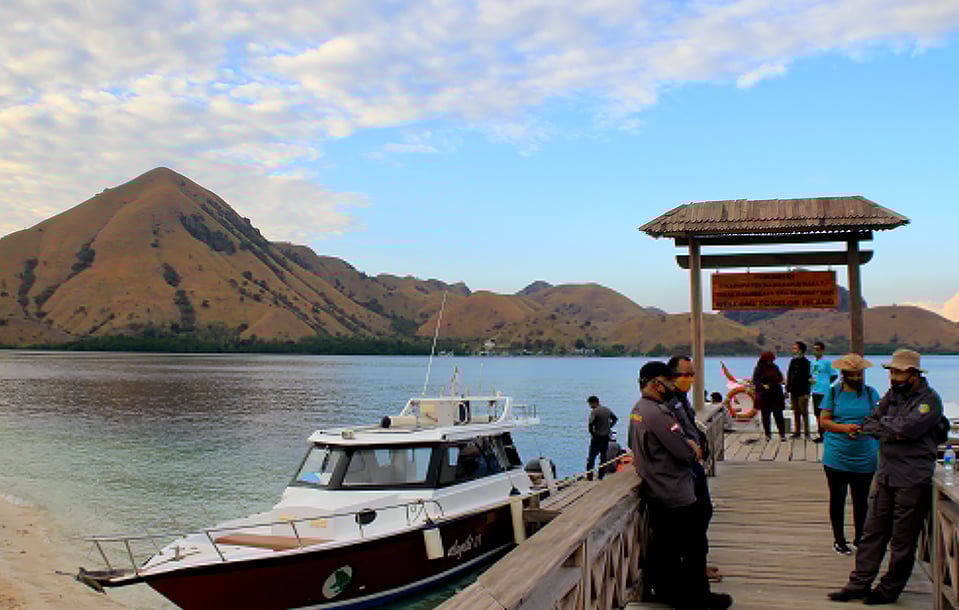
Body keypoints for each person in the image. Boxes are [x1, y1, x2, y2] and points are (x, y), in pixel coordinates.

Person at [828, 349, 944, 605]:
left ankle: (889, 589)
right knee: (872, 532)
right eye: (892, 372)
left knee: (903, 539)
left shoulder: (929, 401)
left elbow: (907, 429)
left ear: (914, 374)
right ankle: (859, 583)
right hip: (886, 474)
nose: (894, 377)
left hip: (912, 477)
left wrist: (888, 427)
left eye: (899, 372)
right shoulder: (892, 395)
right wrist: (893, 429)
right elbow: (870, 423)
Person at [629, 361, 732, 610]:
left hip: (657, 487)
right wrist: (692, 447)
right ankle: (697, 599)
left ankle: (670, 593)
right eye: (669, 381)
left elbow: (633, 445)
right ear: (656, 383)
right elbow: (684, 452)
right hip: (675, 490)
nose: (673, 386)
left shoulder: (638, 410)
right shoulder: (658, 413)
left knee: (667, 547)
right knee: (692, 547)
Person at [819, 353, 880, 555]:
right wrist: (845, 428)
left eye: (859, 374)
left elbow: (879, 419)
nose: (856, 377)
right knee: (837, 498)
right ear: (843, 374)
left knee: (861, 500)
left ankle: (861, 538)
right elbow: (824, 421)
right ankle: (839, 540)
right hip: (837, 454)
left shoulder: (871, 394)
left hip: (865, 455)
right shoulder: (833, 393)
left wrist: (866, 429)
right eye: (851, 374)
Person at [753, 351, 786, 441]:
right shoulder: (759, 368)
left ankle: (782, 434)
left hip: (776, 393)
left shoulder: (775, 367)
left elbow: (780, 377)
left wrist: (782, 381)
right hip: (765, 394)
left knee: (778, 414)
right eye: (769, 360)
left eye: (772, 360)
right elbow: (755, 381)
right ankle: (768, 434)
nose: (771, 362)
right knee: (766, 415)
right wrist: (762, 385)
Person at [586, 395, 618, 480]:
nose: (590, 406)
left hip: (597, 437)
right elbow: (615, 419)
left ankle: (589, 476)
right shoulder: (606, 409)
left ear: (594, 403)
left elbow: (590, 424)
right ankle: (601, 475)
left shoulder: (595, 412)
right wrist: (609, 426)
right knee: (603, 457)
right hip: (606, 436)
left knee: (591, 457)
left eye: (590, 404)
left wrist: (592, 433)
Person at [786, 341, 812, 439]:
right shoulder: (793, 361)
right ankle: (797, 432)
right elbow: (789, 375)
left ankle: (807, 433)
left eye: (795, 348)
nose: (793, 350)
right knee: (796, 412)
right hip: (793, 390)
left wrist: (807, 392)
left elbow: (809, 378)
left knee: (804, 412)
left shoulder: (806, 363)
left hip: (802, 391)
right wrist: (788, 387)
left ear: (801, 350)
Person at [810, 341, 834, 443]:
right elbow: (812, 374)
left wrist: (826, 384)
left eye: (817, 349)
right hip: (815, 391)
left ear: (822, 350)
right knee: (817, 414)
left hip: (823, 392)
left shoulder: (827, 362)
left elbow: (834, 374)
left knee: (824, 413)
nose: (815, 351)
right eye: (814, 349)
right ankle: (821, 434)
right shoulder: (812, 363)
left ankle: (827, 435)